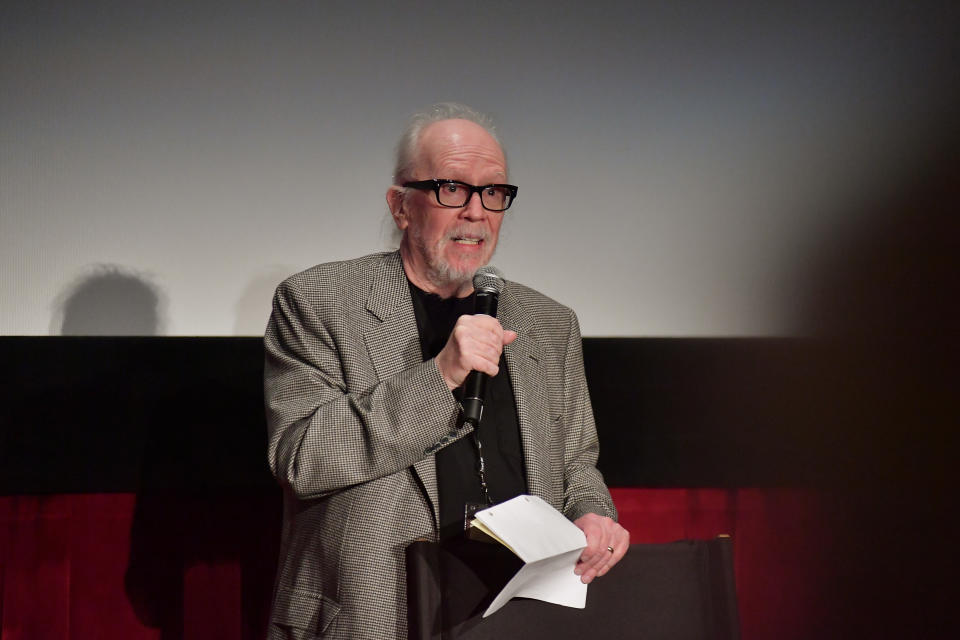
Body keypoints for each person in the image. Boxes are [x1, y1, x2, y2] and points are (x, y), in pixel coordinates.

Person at [264, 102, 628, 640]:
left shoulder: (549, 322)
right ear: (401, 206)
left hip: (518, 610)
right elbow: (302, 458)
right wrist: (439, 377)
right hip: (375, 612)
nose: (476, 212)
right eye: (451, 189)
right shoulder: (320, 301)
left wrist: (593, 513)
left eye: (493, 193)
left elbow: (577, 463)